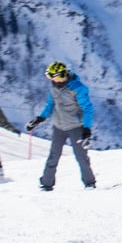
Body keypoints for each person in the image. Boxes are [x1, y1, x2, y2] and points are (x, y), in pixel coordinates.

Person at [25, 61, 96, 190]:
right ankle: (46, 183)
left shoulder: (78, 88)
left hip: (75, 126)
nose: (56, 81)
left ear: (65, 74)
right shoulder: (54, 88)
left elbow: (88, 109)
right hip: (58, 126)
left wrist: (87, 128)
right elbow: (50, 105)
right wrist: (39, 119)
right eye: (53, 78)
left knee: (81, 156)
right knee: (53, 155)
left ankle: (89, 183)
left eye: (58, 77)